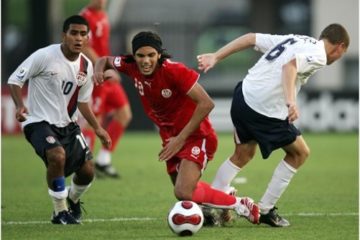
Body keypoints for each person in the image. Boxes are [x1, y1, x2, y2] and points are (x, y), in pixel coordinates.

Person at [93, 31, 260, 224]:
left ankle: (241, 204)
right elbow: (104, 60)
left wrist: (180, 139)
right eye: (140, 56)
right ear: (133, 56)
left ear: (159, 55)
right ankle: (212, 208)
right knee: (184, 192)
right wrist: (98, 71)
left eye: (151, 55)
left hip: (197, 135)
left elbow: (207, 103)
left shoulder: (174, 71)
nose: (145, 60)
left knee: (183, 190)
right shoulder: (129, 65)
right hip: (170, 137)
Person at [197, 23, 350, 227]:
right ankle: (267, 209)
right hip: (264, 110)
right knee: (300, 153)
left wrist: (216, 55)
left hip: (243, 95)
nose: (338, 57)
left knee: (243, 154)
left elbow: (251, 37)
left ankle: (208, 205)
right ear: (339, 46)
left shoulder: (296, 39)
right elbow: (290, 67)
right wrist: (290, 102)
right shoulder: (320, 54)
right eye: (342, 53)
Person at [7, 15, 112, 225]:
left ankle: (72, 201)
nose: (78, 38)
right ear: (64, 35)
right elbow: (14, 79)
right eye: (74, 33)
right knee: (57, 156)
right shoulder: (44, 56)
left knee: (88, 172)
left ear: (88, 38)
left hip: (68, 126)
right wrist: (19, 105)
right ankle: (59, 211)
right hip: (37, 122)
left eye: (83, 34)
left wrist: (98, 129)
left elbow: (83, 103)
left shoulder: (86, 66)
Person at [80, 0, 132, 178]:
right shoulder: (84, 18)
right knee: (95, 119)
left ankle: (103, 160)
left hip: (107, 73)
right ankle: (84, 163)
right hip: (96, 74)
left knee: (124, 114)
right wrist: (104, 68)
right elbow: (85, 48)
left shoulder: (103, 15)